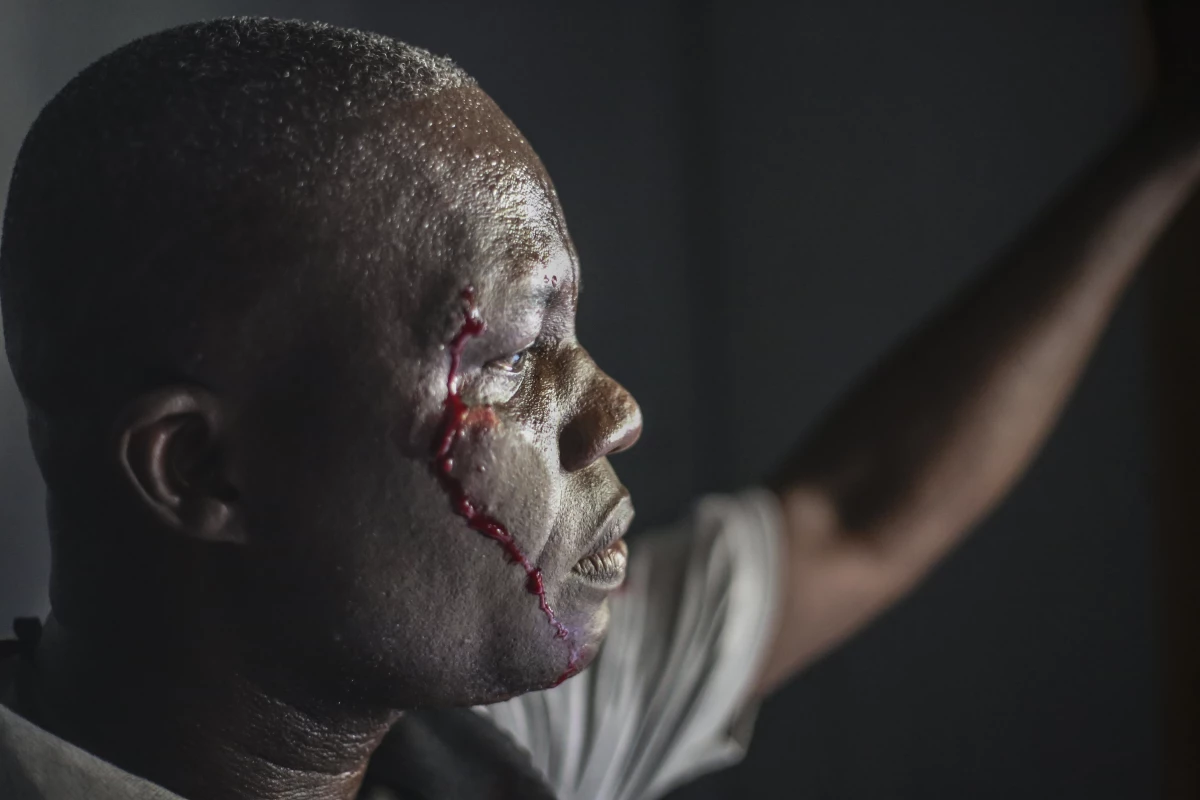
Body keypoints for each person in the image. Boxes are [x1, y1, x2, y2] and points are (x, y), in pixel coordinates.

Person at [0, 15, 1196, 800]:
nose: (615, 412)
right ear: (202, 469)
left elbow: (860, 515)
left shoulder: (487, 749)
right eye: (515, 357)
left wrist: (1169, 143)